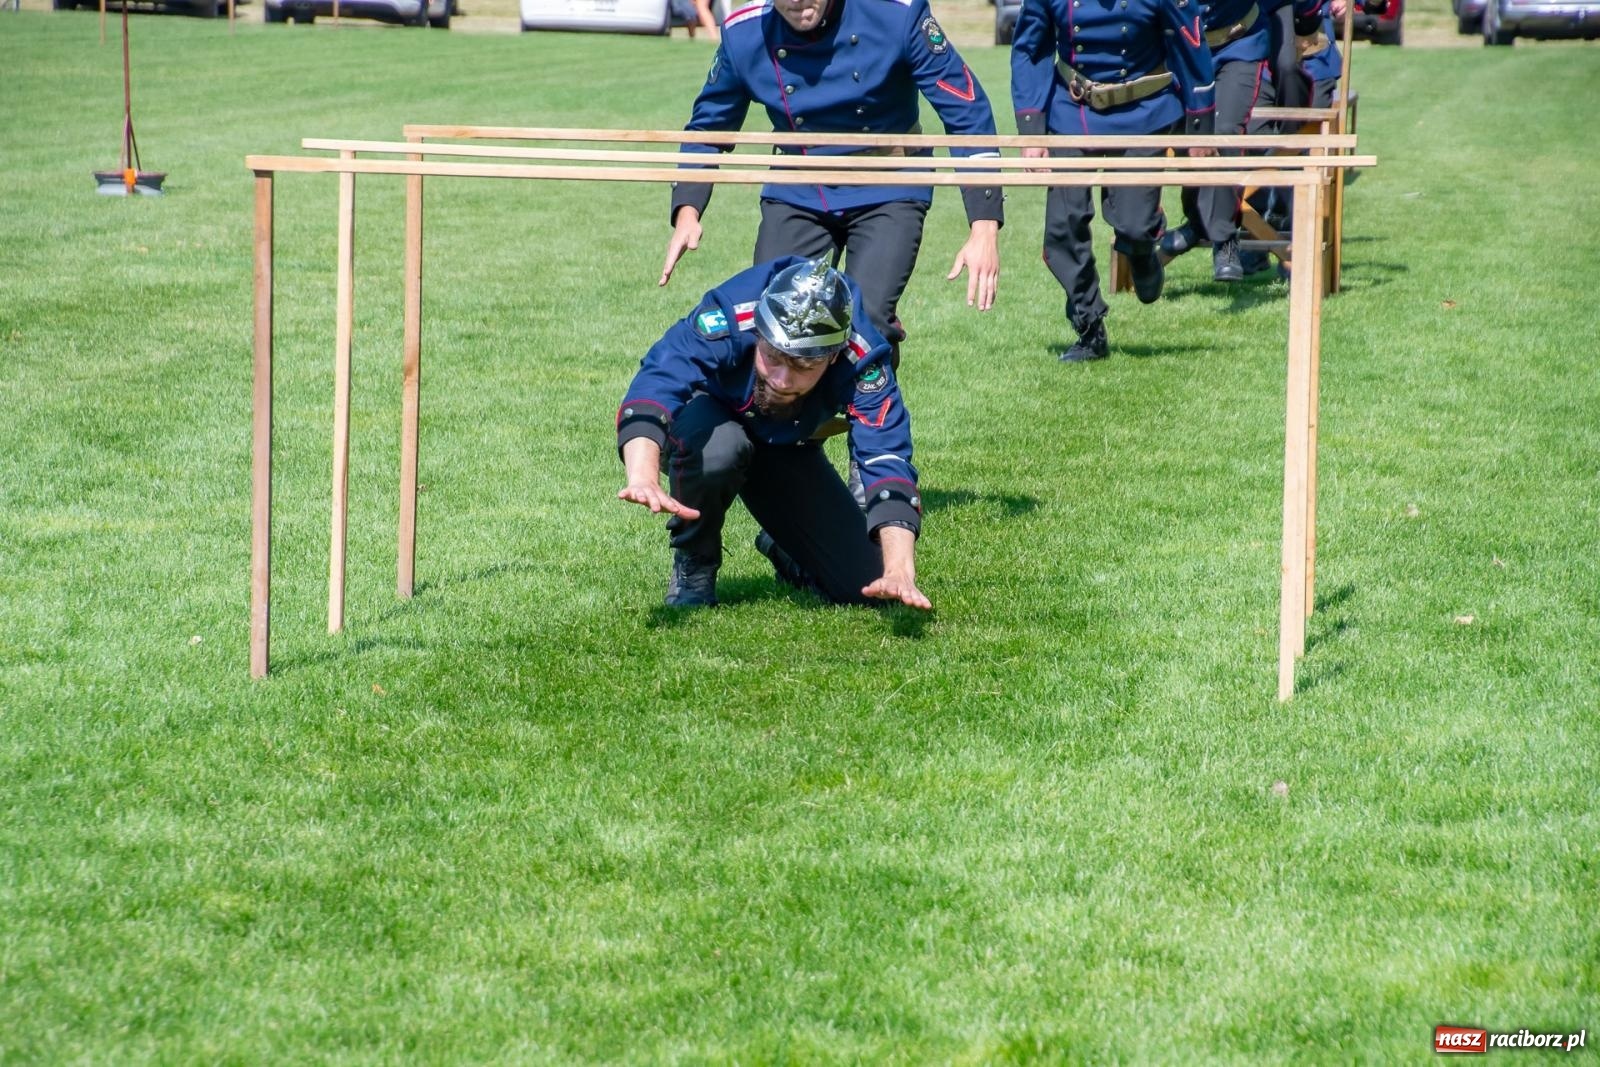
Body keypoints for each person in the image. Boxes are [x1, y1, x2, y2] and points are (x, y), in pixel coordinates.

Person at [657, 0, 1005, 346]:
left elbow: (967, 111)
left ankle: (872, 391)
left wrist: (984, 227)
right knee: (777, 319)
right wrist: (688, 211)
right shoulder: (743, 33)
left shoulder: (897, 14)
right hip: (797, 185)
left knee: (867, 324)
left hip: (889, 183)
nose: (796, 2)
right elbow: (708, 128)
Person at [617, 256, 930, 611]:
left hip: (783, 442)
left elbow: (886, 455)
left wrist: (900, 570)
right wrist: (642, 473)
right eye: (773, 355)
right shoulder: (733, 314)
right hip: (708, 421)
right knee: (722, 449)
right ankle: (696, 564)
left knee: (868, 588)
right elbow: (661, 376)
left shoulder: (862, 359)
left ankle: (783, 542)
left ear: (833, 356)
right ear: (759, 333)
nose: (781, 379)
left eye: (802, 366)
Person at [1010, 0, 1218, 363]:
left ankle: (1141, 250)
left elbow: (1190, 41)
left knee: (1134, 224)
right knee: (1062, 227)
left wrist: (1199, 124)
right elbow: (1030, 47)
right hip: (1072, 109)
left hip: (1145, 110)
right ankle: (1089, 327)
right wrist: (1032, 131)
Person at [1157, 0, 1304, 281]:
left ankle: (1224, 241)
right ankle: (1200, 223)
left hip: (1238, 44)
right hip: (1181, 51)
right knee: (1188, 138)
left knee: (1225, 131)